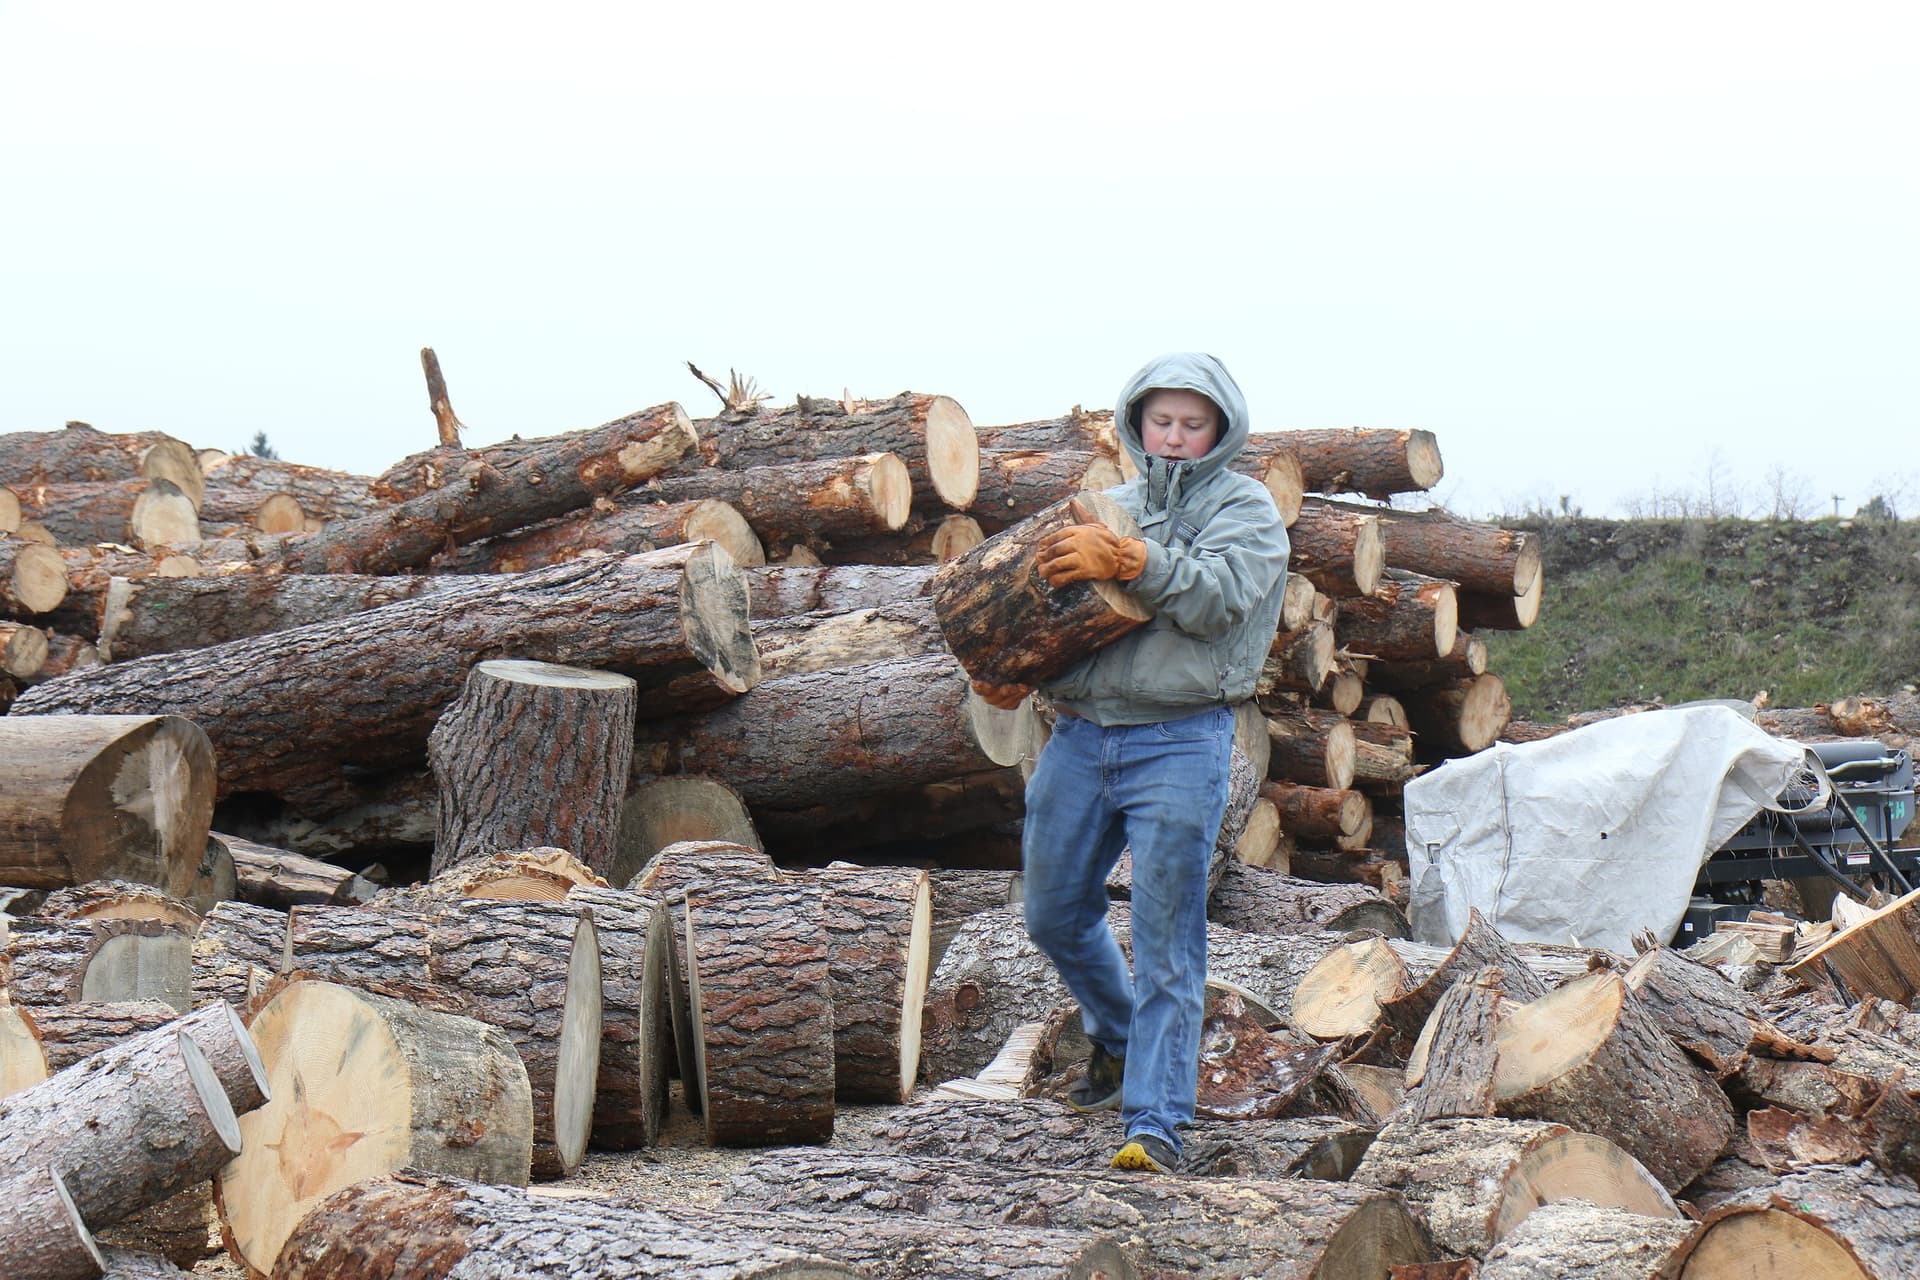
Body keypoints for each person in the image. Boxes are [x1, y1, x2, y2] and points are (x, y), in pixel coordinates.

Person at [974, 352, 1290, 1174]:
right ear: (1137, 423)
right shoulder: (1108, 506)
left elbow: (1219, 600)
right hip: (1080, 737)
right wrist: (1009, 668)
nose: (1175, 437)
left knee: (1165, 938)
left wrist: (1133, 562)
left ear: (1221, 429)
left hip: (1180, 739)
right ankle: (1116, 1042)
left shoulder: (1248, 511)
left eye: (1193, 424)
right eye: (1162, 421)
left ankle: (1154, 1125)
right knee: (1051, 913)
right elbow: (1056, 615)